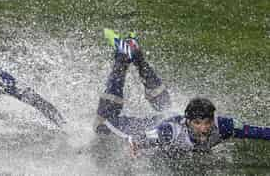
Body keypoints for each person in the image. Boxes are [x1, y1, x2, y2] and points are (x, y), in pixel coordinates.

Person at [95, 29, 270, 157]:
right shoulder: (169, 132)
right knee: (101, 126)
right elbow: (139, 138)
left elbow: (258, 132)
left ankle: (136, 55)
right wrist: (134, 146)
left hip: (167, 116)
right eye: (198, 123)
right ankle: (122, 58)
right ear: (188, 121)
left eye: (207, 122)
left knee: (165, 107)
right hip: (144, 124)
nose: (203, 128)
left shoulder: (224, 126)